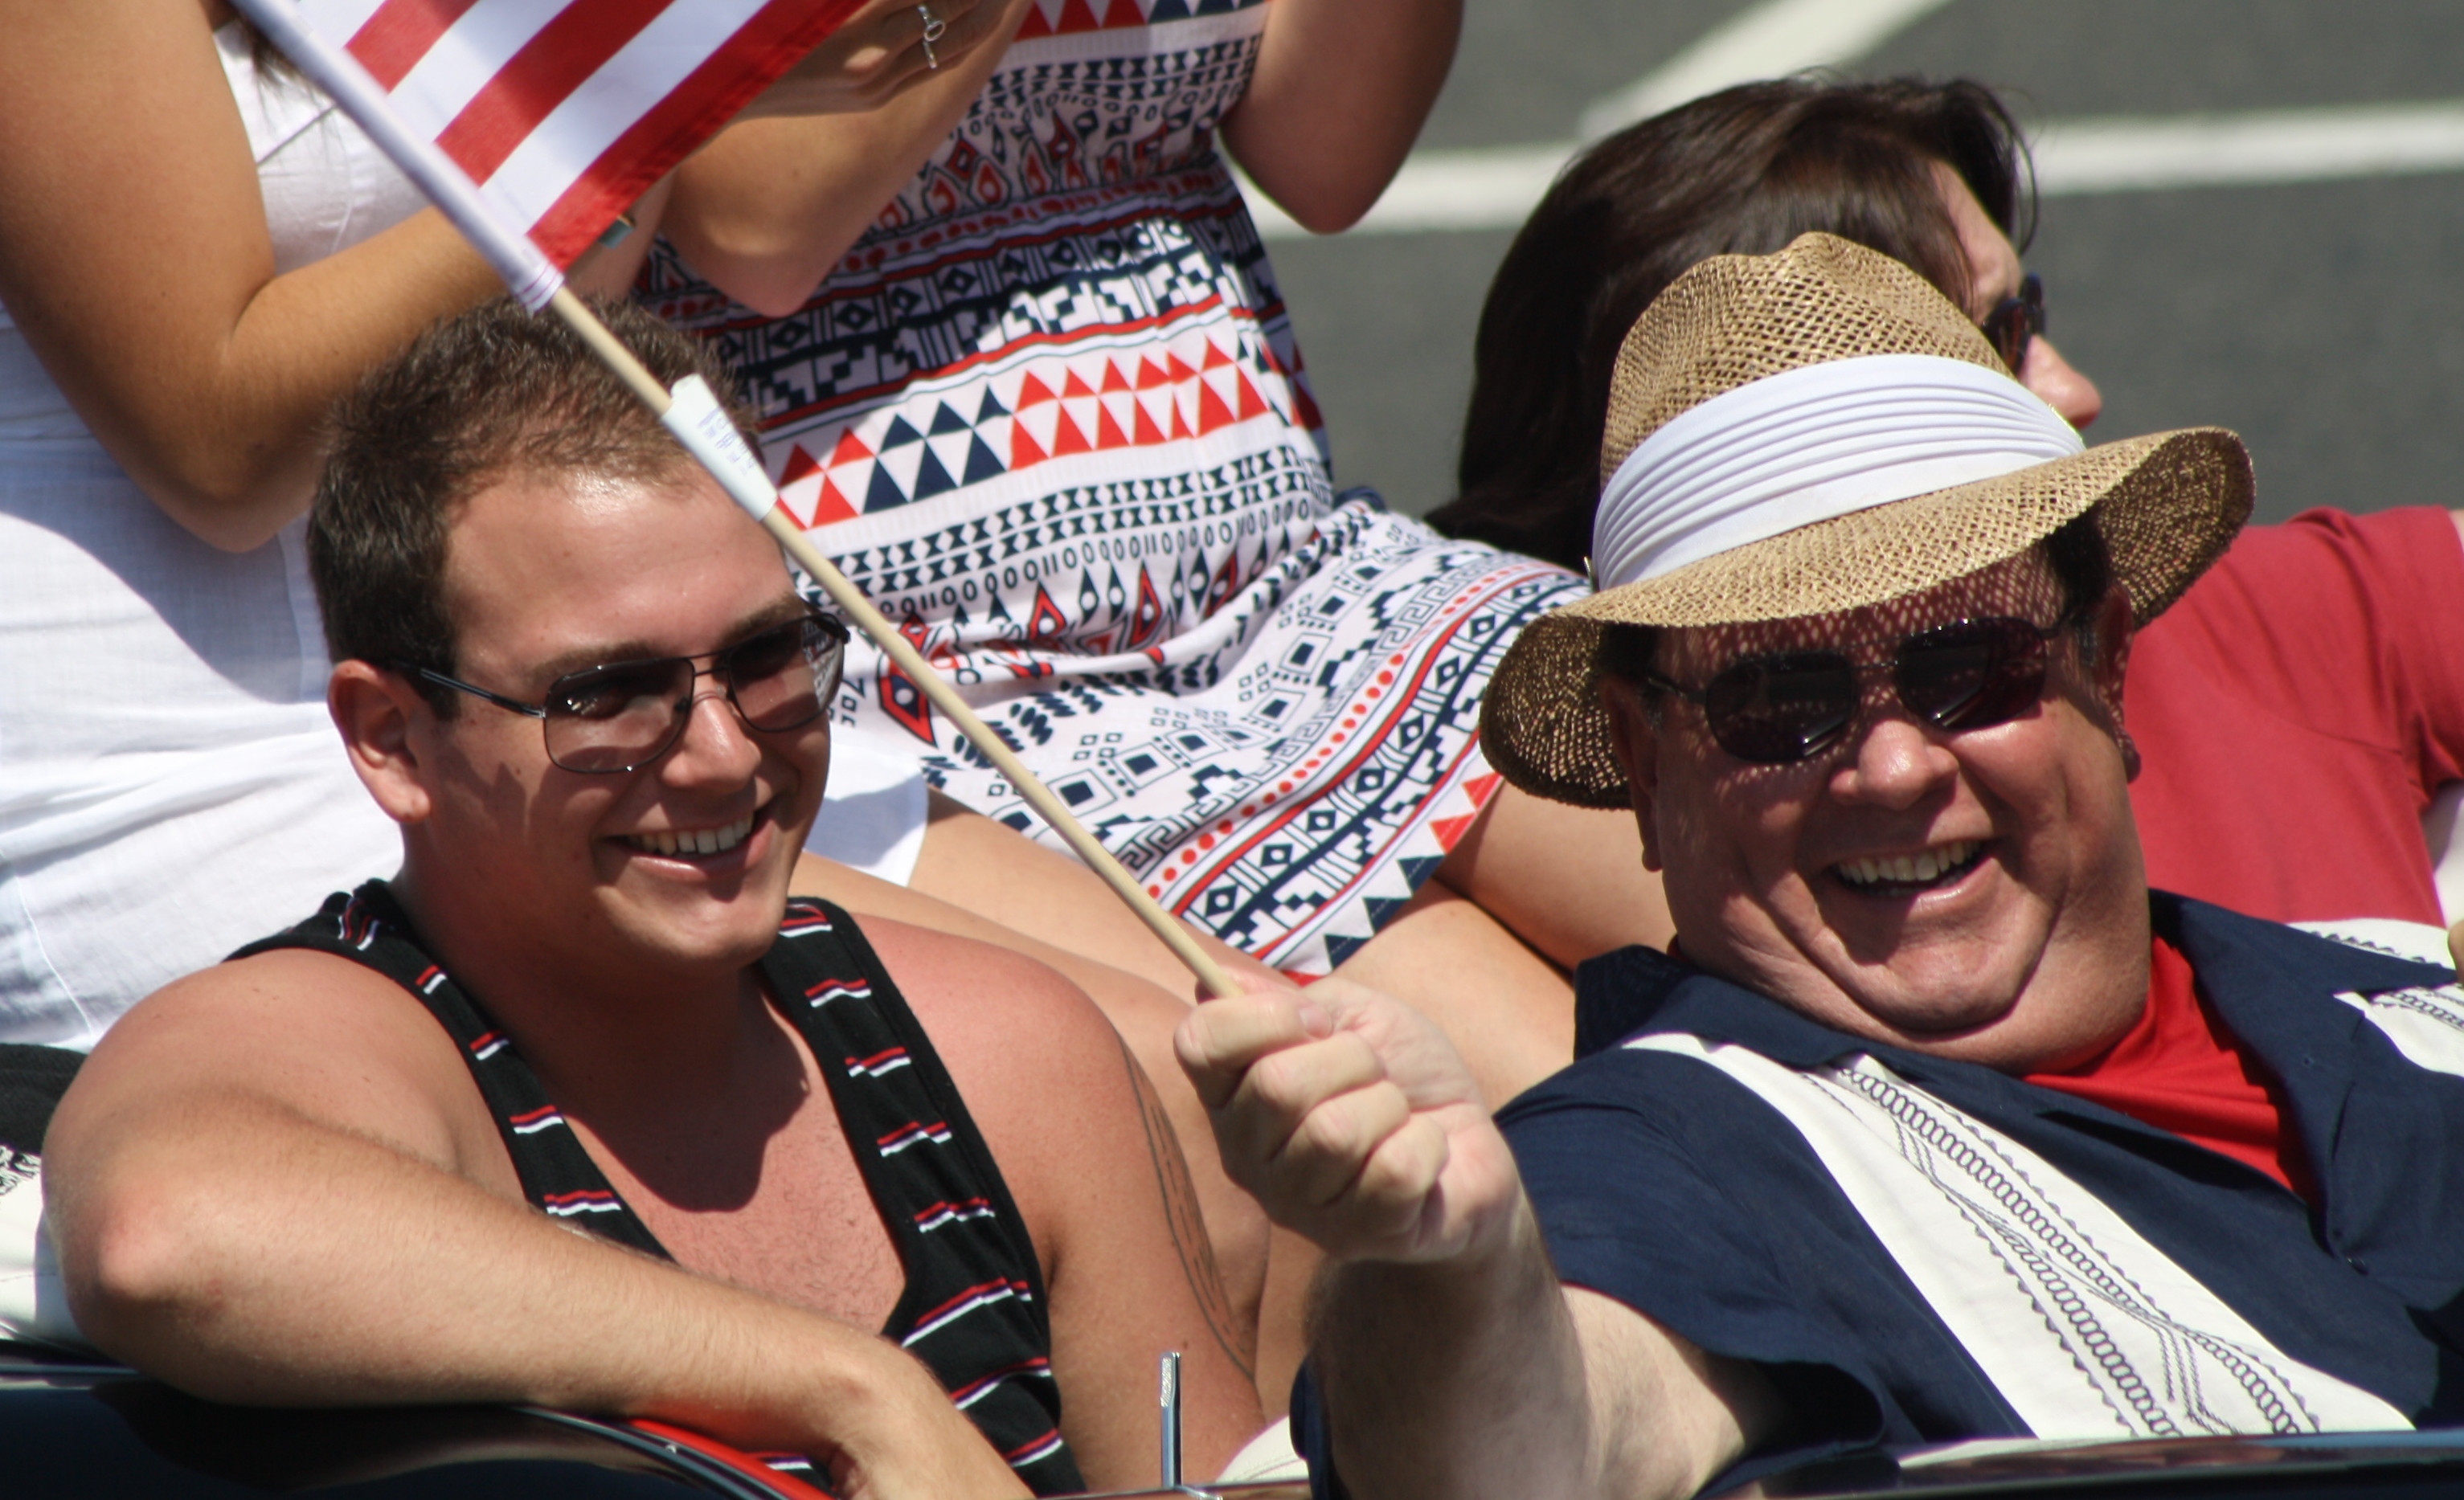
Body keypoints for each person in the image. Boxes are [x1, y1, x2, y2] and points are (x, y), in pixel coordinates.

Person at [1180, 235, 2464, 1500]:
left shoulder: (2397, 986)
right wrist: (1438, 1257)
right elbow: (1527, 1451)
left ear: (2107, 660)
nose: (1892, 768)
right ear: (1643, 763)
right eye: (1778, 700)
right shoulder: (1677, 1155)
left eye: (1970, 663)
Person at [42, 298, 1264, 1492]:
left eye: (765, 656)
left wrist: (1392, 1273)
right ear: (392, 739)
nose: (725, 754)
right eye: (607, 694)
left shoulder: (1012, 1061)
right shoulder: (346, 1037)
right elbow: (166, 1237)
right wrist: (851, 1390)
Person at [0, 0, 1001, 1048]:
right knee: (1054, 1047)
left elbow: (736, 228)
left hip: (524, 696)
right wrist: (650, 121)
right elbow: (224, 448)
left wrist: (673, 107)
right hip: (176, 763)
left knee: (1120, 991)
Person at [1431, 76, 2464, 946]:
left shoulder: (2287, 617)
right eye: (1994, 345)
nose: (2074, 391)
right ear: (1644, 763)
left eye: (2030, 314)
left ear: (2108, 647)